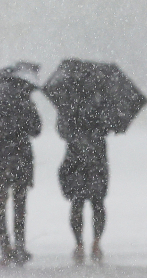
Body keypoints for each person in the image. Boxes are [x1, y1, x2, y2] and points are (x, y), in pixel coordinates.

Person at [0, 64, 42, 266]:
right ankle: (20, 246)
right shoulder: (25, 100)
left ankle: (5, 247)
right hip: (21, 158)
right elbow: (37, 129)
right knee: (20, 204)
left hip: (1, 159)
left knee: (0, 204)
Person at [57, 110, 109, 265]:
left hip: (77, 160)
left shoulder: (70, 102)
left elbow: (62, 130)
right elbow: (109, 126)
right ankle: (95, 243)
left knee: (78, 203)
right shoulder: (101, 101)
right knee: (97, 203)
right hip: (94, 160)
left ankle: (80, 243)